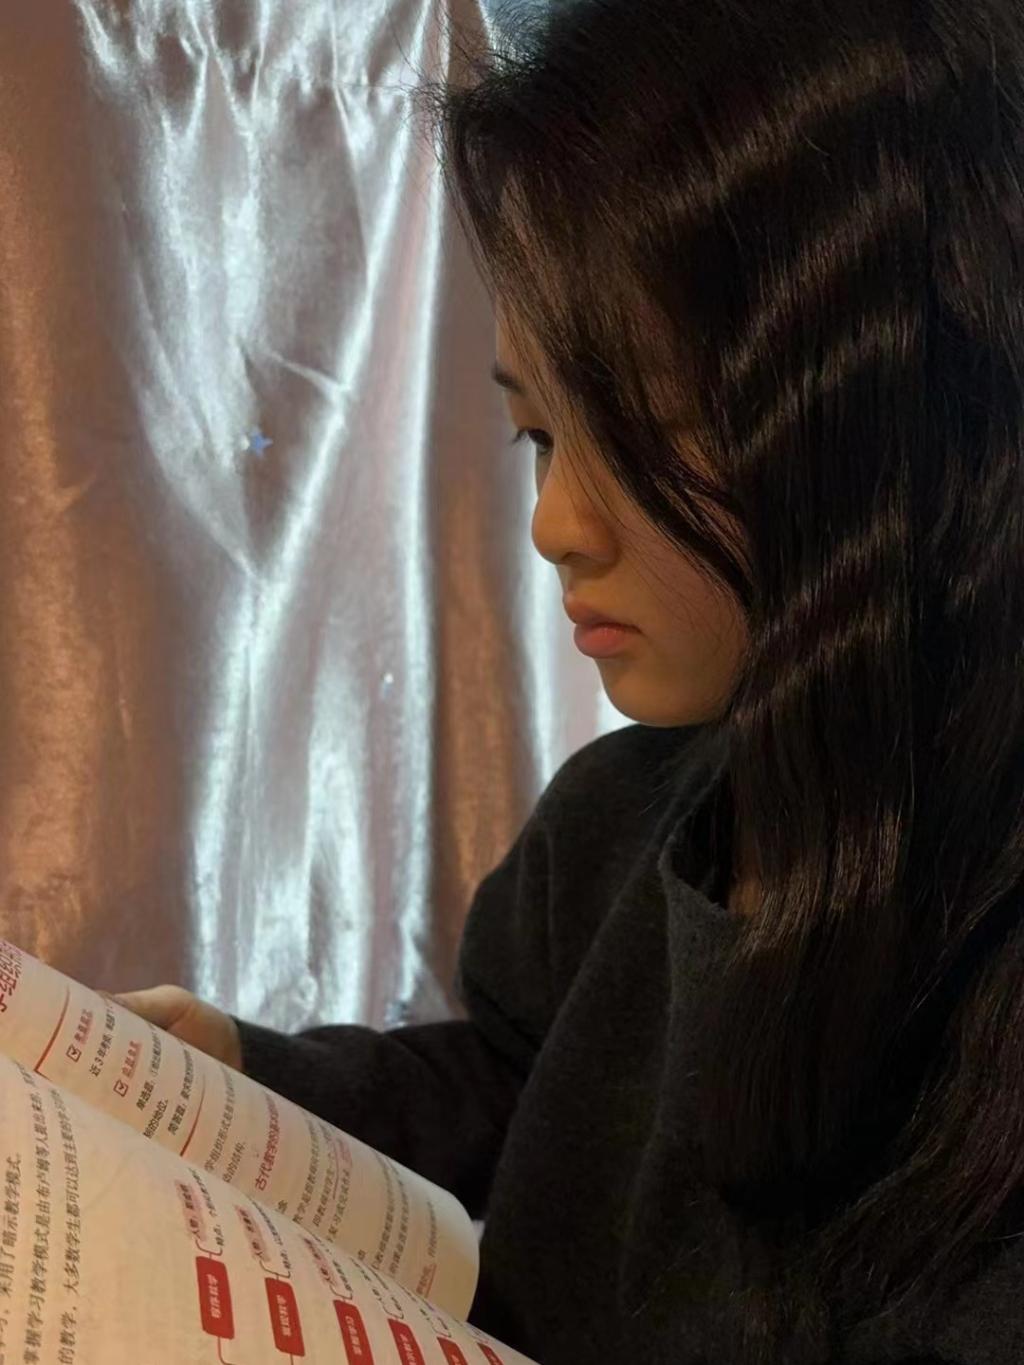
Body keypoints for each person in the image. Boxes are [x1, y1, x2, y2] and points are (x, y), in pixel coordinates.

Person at [115, 0, 1024, 1360]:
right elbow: (517, 1087)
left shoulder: (980, 979)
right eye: (540, 432)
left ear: (894, 401)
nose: (558, 524)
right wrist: (245, 1074)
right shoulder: (614, 821)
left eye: (644, 428)